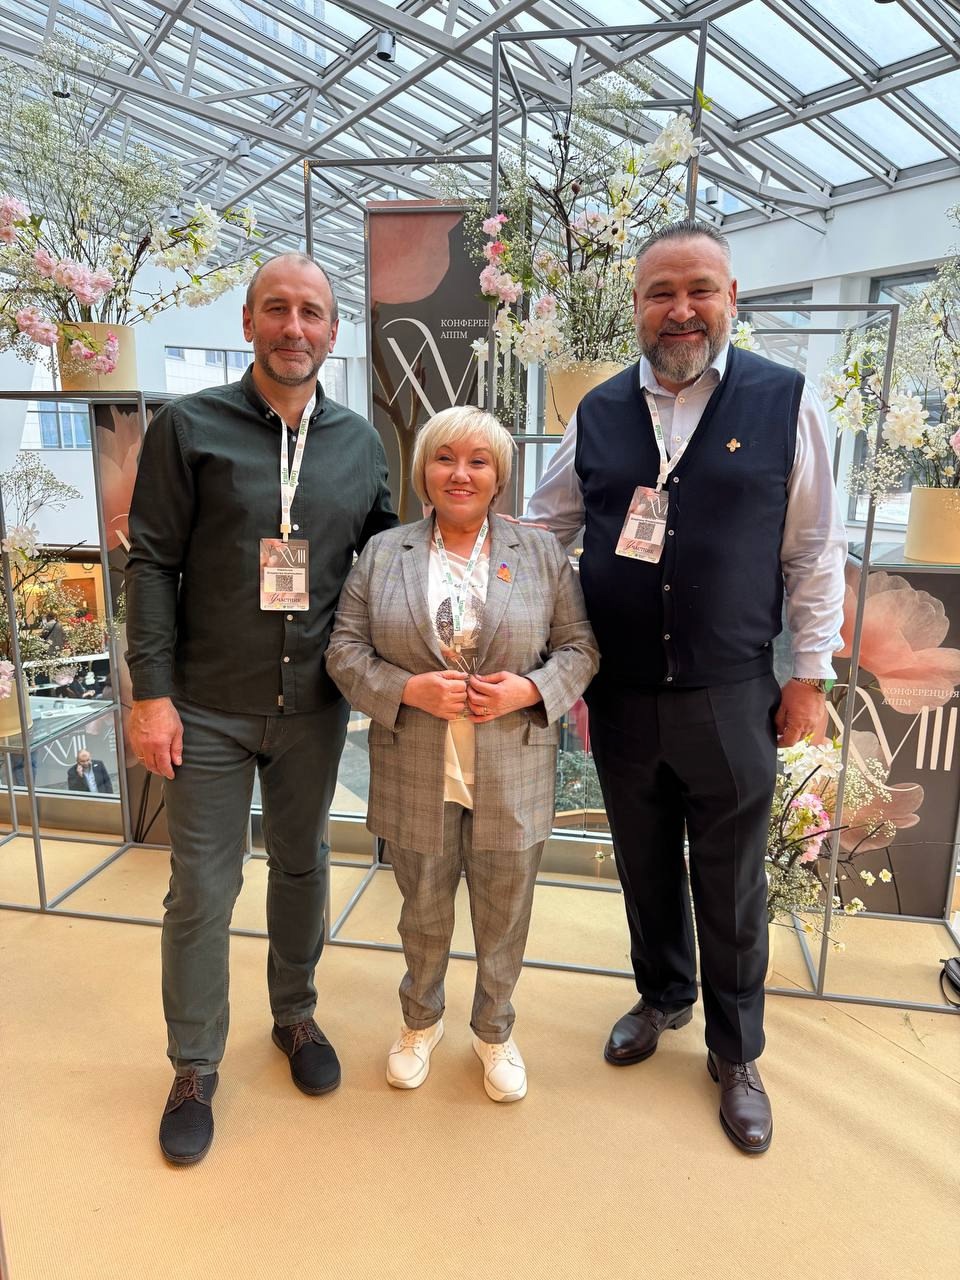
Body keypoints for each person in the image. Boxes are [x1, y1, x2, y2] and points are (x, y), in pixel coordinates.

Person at [525, 219, 846, 1154]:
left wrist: (810, 676)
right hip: (621, 692)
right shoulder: (597, 411)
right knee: (644, 860)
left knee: (732, 878)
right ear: (635, 306)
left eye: (700, 289)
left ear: (731, 298)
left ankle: (736, 1051)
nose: (681, 309)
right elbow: (542, 529)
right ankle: (663, 994)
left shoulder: (785, 401)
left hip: (731, 691)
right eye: (661, 292)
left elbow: (814, 553)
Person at [125, 252, 397, 1165]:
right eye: (276, 309)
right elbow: (151, 563)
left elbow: (386, 567)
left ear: (332, 331)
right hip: (204, 704)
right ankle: (193, 1065)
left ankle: (295, 1015)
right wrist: (150, 695)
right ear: (248, 324)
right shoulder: (188, 427)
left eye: (312, 312)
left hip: (313, 705)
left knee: (303, 863)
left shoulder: (360, 443)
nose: (294, 327)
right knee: (202, 887)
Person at [326, 407, 598, 1103]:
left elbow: (580, 649)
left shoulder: (539, 553)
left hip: (513, 768)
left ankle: (494, 1030)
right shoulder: (384, 553)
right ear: (423, 471)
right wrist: (407, 688)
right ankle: (420, 1021)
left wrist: (528, 691)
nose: (461, 473)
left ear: (499, 476)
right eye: (444, 458)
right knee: (421, 909)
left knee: (504, 913)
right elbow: (344, 651)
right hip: (416, 763)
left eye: (479, 461)